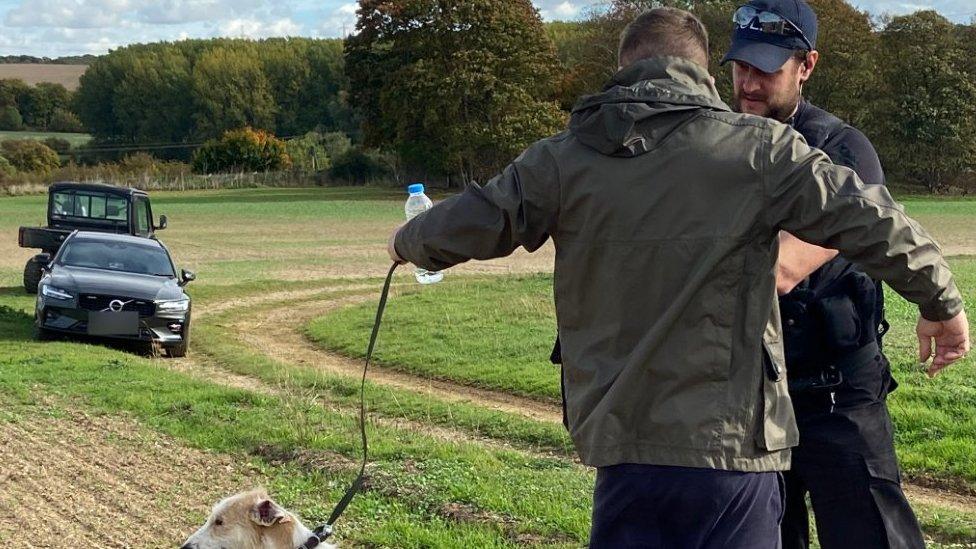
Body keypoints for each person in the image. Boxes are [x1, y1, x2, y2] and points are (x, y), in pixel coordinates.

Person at [387, 7, 969, 548]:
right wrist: (941, 303)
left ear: (624, 69)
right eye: (738, 68)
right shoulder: (762, 151)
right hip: (732, 452)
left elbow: (476, 217)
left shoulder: (561, 159)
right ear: (703, 72)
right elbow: (876, 221)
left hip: (631, 453)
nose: (747, 83)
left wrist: (406, 242)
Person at [722, 1, 930, 546]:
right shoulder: (719, 149)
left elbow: (784, 268)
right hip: (753, 397)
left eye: (766, 68)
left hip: (838, 395)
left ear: (806, 65)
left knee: (871, 537)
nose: (748, 82)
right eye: (741, 66)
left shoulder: (842, 149)